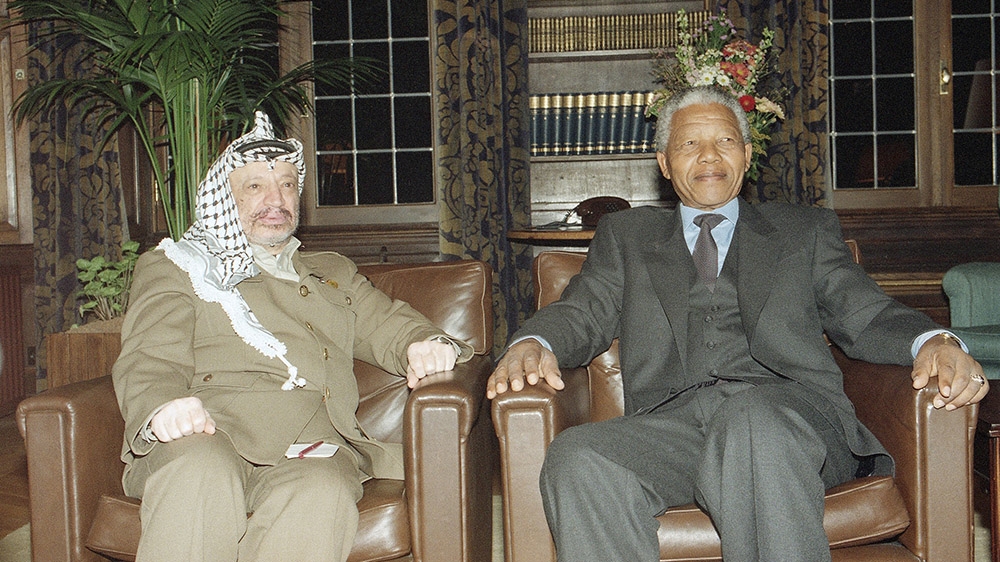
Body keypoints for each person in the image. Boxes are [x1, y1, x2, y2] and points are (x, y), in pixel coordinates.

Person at [486, 86, 989, 561]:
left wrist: (933, 340)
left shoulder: (803, 231)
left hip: (791, 423)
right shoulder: (626, 236)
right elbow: (583, 311)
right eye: (689, 144)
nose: (709, 156)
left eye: (725, 141)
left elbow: (865, 312)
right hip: (675, 428)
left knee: (750, 420)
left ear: (746, 156)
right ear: (664, 163)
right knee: (578, 456)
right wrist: (534, 341)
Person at [112, 112, 473, 562]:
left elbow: (389, 324)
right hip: (207, 432)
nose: (275, 199)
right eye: (255, 186)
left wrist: (424, 343)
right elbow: (149, 357)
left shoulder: (331, 272)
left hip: (311, 445)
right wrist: (162, 405)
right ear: (224, 197)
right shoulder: (180, 266)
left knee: (321, 490)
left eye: (286, 185)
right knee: (199, 470)